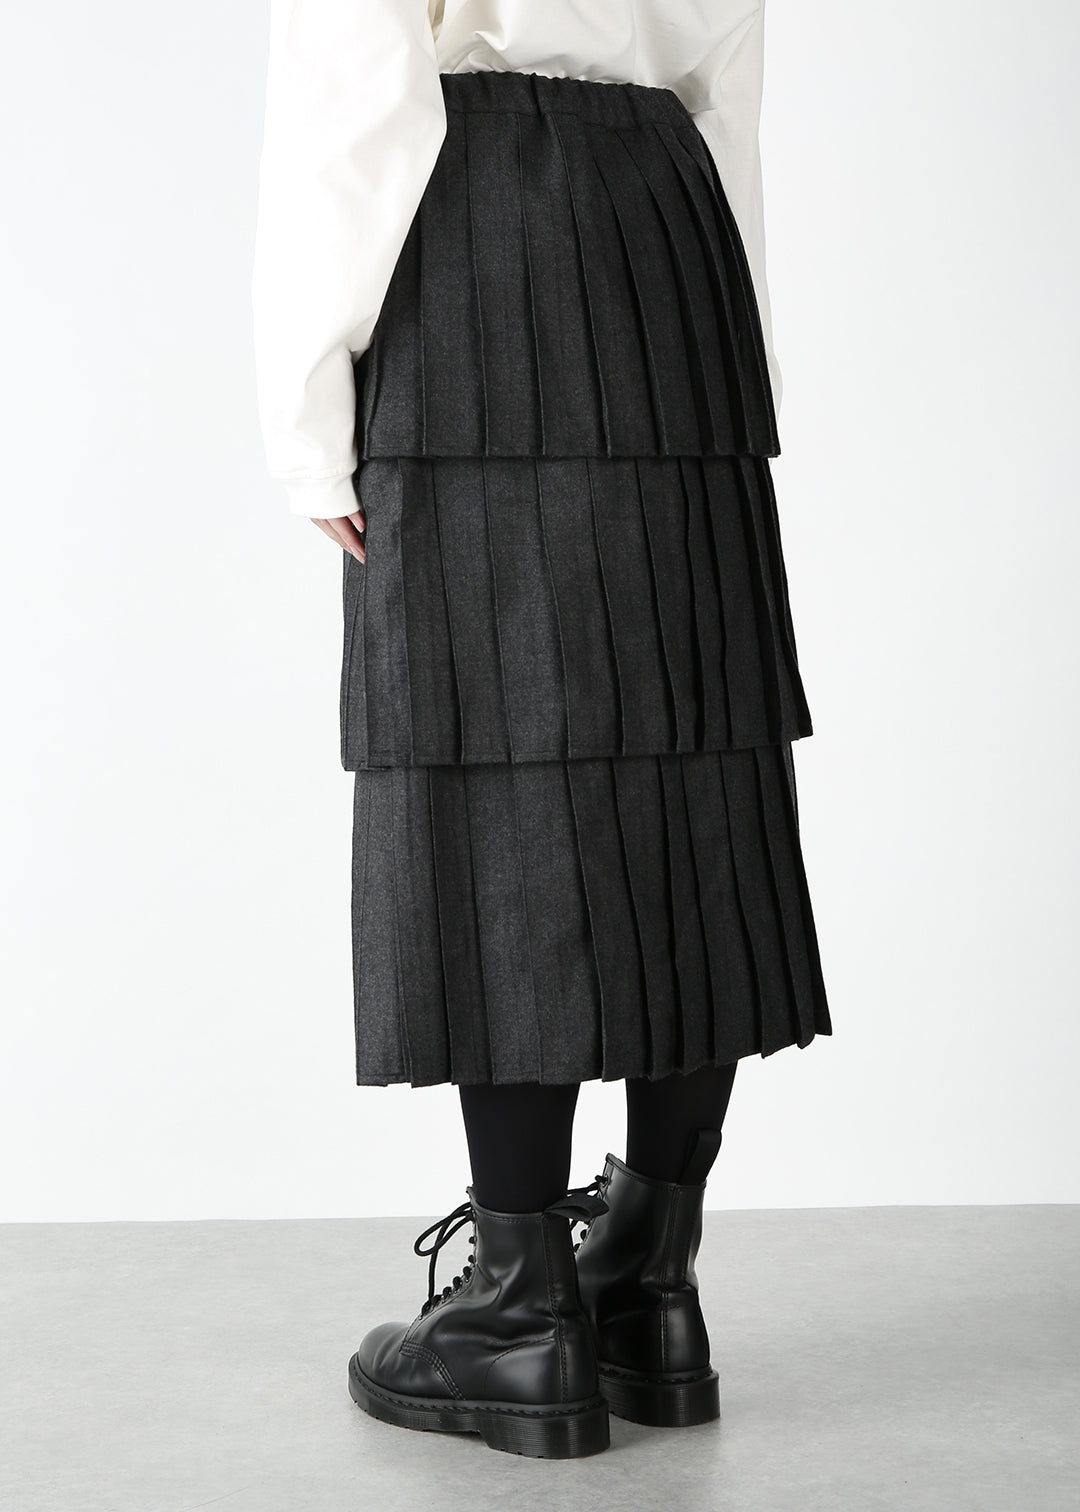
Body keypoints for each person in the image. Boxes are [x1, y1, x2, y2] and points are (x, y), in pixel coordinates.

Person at [251, 0, 833, 1460]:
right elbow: (725, 80)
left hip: (479, 228)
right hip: (674, 239)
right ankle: (649, 1280)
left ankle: (519, 1313)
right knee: (692, 743)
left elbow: (355, 92)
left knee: (489, 741)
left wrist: (305, 410)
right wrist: (730, 358)